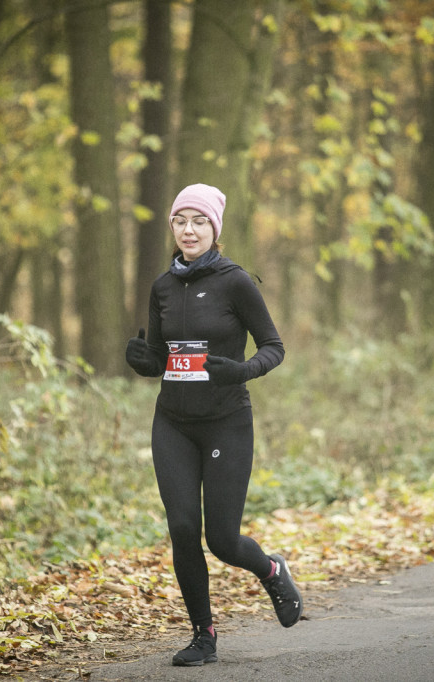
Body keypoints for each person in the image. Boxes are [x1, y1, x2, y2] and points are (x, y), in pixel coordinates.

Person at [125, 183, 303, 667]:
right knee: (183, 528)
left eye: (198, 221)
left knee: (222, 540)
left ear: (214, 229)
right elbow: (162, 358)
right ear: (172, 228)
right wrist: (143, 361)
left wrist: (242, 370)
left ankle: (270, 568)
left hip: (226, 421)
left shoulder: (236, 282)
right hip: (174, 423)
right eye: (180, 220)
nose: (188, 229)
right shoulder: (162, 286)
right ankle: (203, 634)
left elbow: (274, 346)